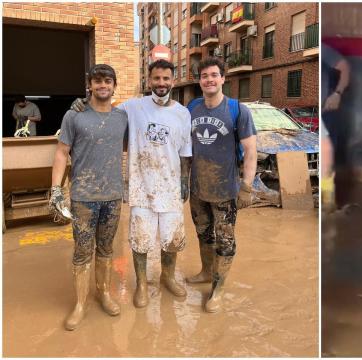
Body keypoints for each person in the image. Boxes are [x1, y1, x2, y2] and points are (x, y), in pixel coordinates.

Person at [72, 60, 192, 308]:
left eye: (166, 79)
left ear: (172, 80)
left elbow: (185, 152)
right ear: (149, 81)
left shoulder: (183, 112)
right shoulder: (132, 108)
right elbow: (102, 108)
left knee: (172, 239)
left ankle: (167, 277)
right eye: (156, 79)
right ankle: (140, 285)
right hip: (140, 188)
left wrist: (184, 180)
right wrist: (80, 104)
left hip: (170, 188)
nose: (161, 83)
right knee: (140, 240)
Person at [50, 64, 128, 330]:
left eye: (107, 81)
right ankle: (81, 303)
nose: (102, 85)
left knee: (106, 249)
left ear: (114, 85)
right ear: (90, 85)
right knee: (82, 251)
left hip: (113, 196)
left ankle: (103, 293)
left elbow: (128, 145)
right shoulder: (75, 115)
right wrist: (56, 190)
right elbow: (62, 153)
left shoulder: (122, 117)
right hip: (83, 196)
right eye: (97, 81)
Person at [184, 57, 257, 313]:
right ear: (200, 81)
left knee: (225, 241)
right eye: (204, 76)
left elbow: (250, 151)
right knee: (203, 234)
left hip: (225, 191)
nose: (209, 80)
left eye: (214, 75)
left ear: (223, 78)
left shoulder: (238, 110)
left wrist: (246, 186)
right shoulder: (192, 107)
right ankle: (206, 272)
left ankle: (218, 288)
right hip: (198, 189)